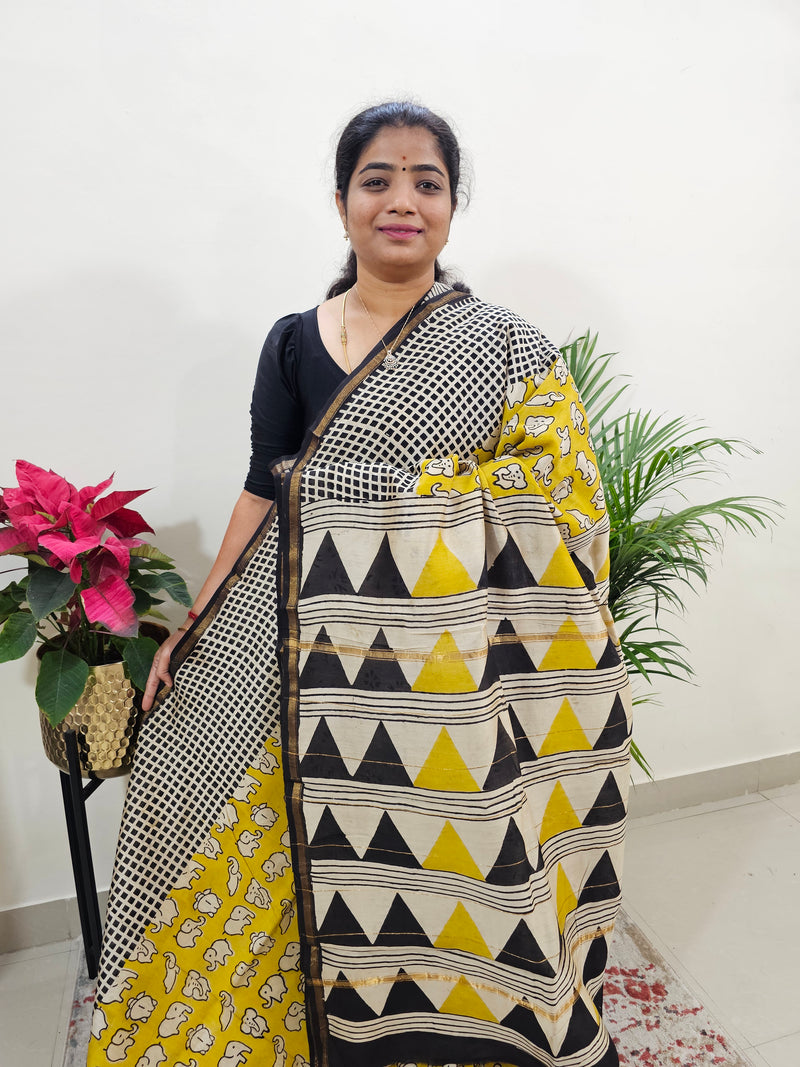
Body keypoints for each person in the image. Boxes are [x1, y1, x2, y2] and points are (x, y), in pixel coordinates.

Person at [88, 102, 631, 1067]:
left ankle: (449, 1024)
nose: (402, 201)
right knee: (205, 796)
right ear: (341, 201)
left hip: (445, 660)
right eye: (378, 180)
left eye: (427, 182)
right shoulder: (295, 339)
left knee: (446, 849)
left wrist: (425, 512)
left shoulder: (503, 346)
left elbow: (567, 501)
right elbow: (266, 488)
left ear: (453, 208)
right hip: (294, 627)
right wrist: (197, 617)